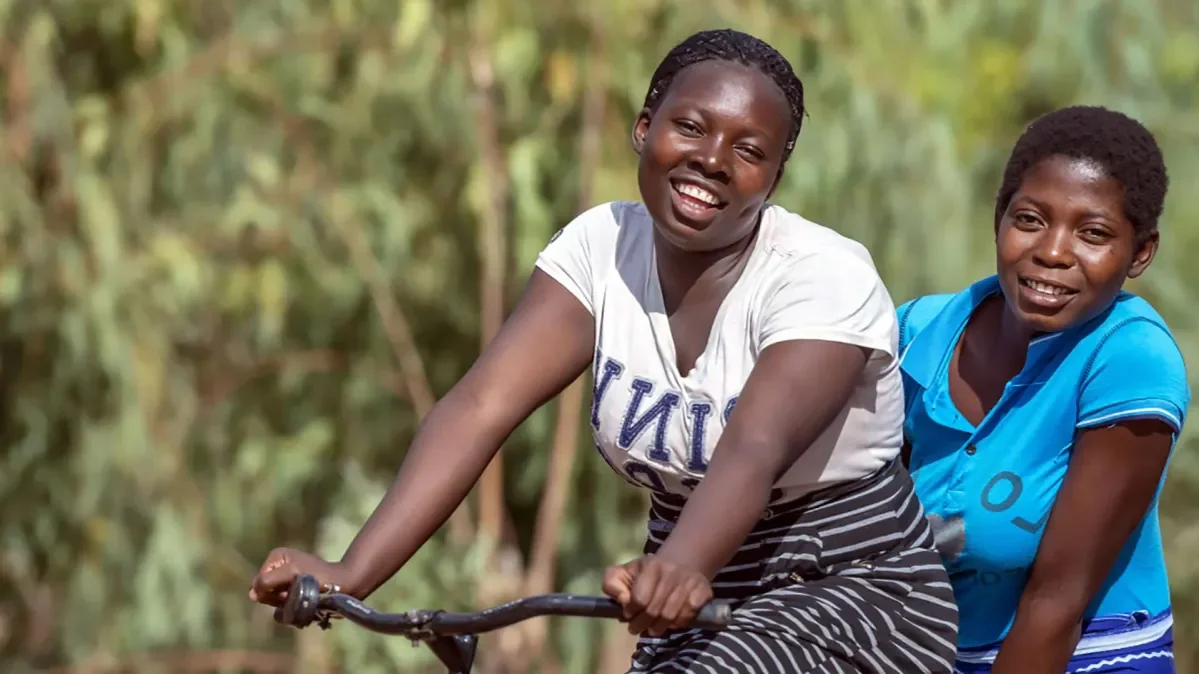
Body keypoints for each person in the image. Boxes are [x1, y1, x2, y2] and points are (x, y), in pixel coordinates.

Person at [250, 28, 958, 673]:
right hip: (688, 602)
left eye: (748, 150)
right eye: (689, 126)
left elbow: (756, 446)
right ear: (643, 128)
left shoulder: (821, 276)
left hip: (851, 593)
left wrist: (683, 564)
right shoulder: (600, 248)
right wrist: (351, 573)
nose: (711, 160)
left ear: (773, 177)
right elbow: (480, 406)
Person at [898, 106, 1189, 673]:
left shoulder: (1129, 360)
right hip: (929, 646)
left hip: (1081, 652)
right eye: (1030, 219)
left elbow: (1057, 601)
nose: (1053, 251)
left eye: (1093, 233)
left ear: (1141, 253)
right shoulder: (916, 333)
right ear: (999, 220)